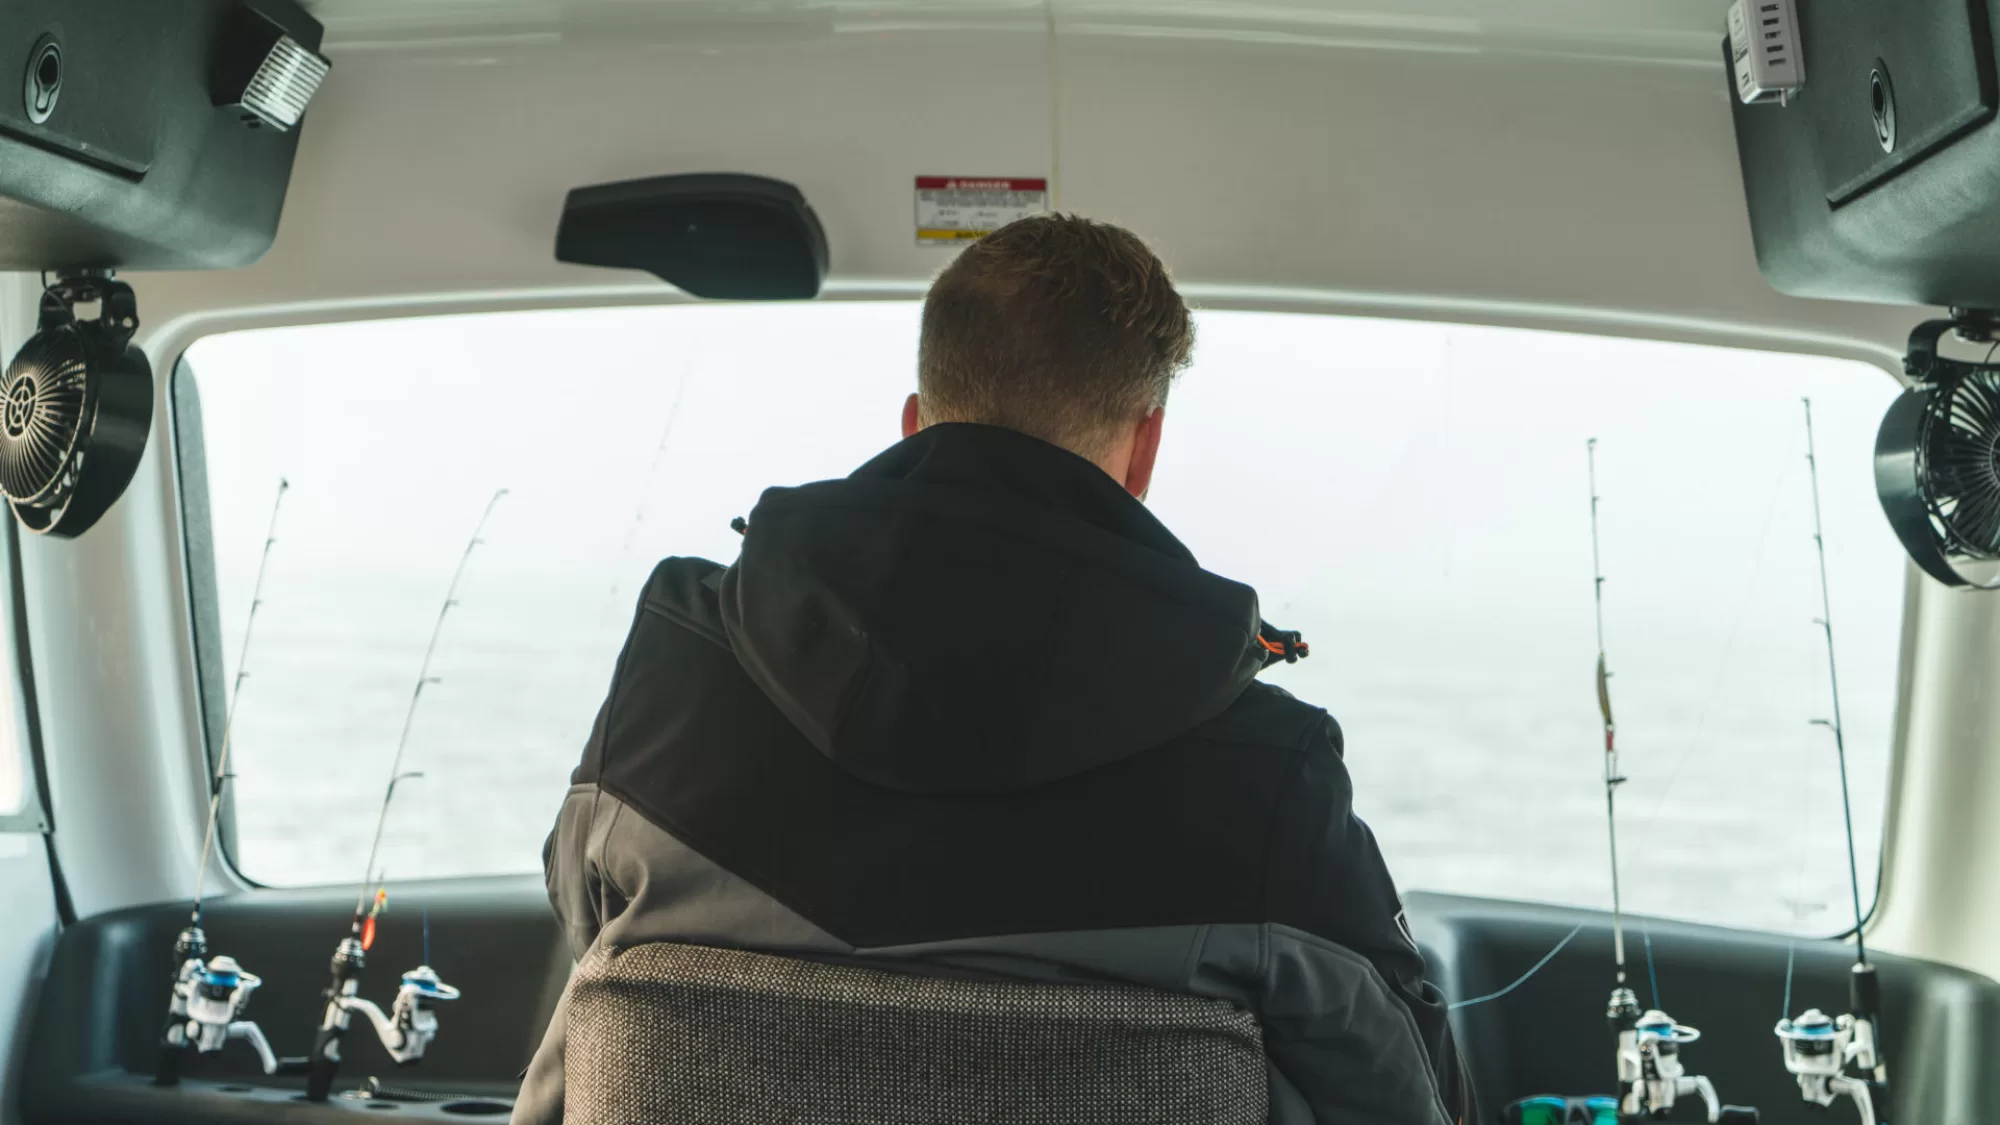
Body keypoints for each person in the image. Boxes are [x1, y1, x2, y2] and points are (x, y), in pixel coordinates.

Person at [515, 214, 1475, 1125]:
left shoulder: (679, 667)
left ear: (913, 422)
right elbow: (1403, 1090)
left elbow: (586, 911)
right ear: (1143, 451)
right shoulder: (1270, 771)